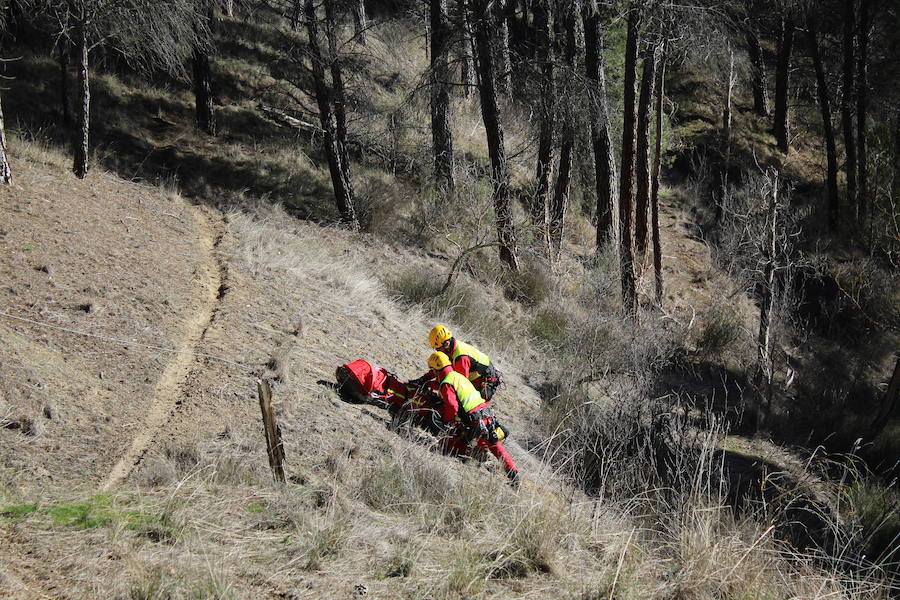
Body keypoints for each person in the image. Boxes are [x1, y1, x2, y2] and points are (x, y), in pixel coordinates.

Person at [427, 351, 520, 485]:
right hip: (487, 416)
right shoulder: (457, 376)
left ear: (436, 369)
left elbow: (452, 407)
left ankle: (475, 454)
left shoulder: (446, 383)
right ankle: (514, 476)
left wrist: (445, 421)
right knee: (495, 446)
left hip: (474, 421)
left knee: (447, 445)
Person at [427, 324, 503, 401]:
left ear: (446, 344)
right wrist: (427, 381)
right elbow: (442, 369)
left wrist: (441, 390)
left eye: (438, 349)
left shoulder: (461, 358)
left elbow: (461, 385)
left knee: (468, 404)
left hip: (485, 380)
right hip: (475, 375)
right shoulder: (451, 348)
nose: (438, 352)